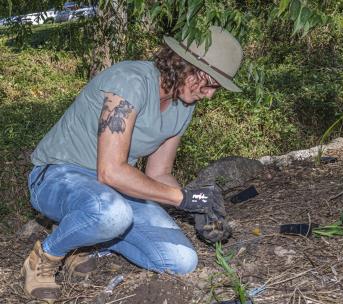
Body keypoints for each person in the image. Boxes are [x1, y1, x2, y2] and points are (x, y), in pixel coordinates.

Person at [22, 26, 243, 302]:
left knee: (182, 260)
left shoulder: (183, 106)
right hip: (58, 175)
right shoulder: (131, 81)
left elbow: (159, 174)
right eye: (210, 84)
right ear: (185, 66)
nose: (210, 95)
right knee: (111, 213)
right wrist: (185, 198)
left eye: (216, 89)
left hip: (110, 192)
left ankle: (82, 237)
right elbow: (111, 171)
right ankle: (47, 255)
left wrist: (197, 206)